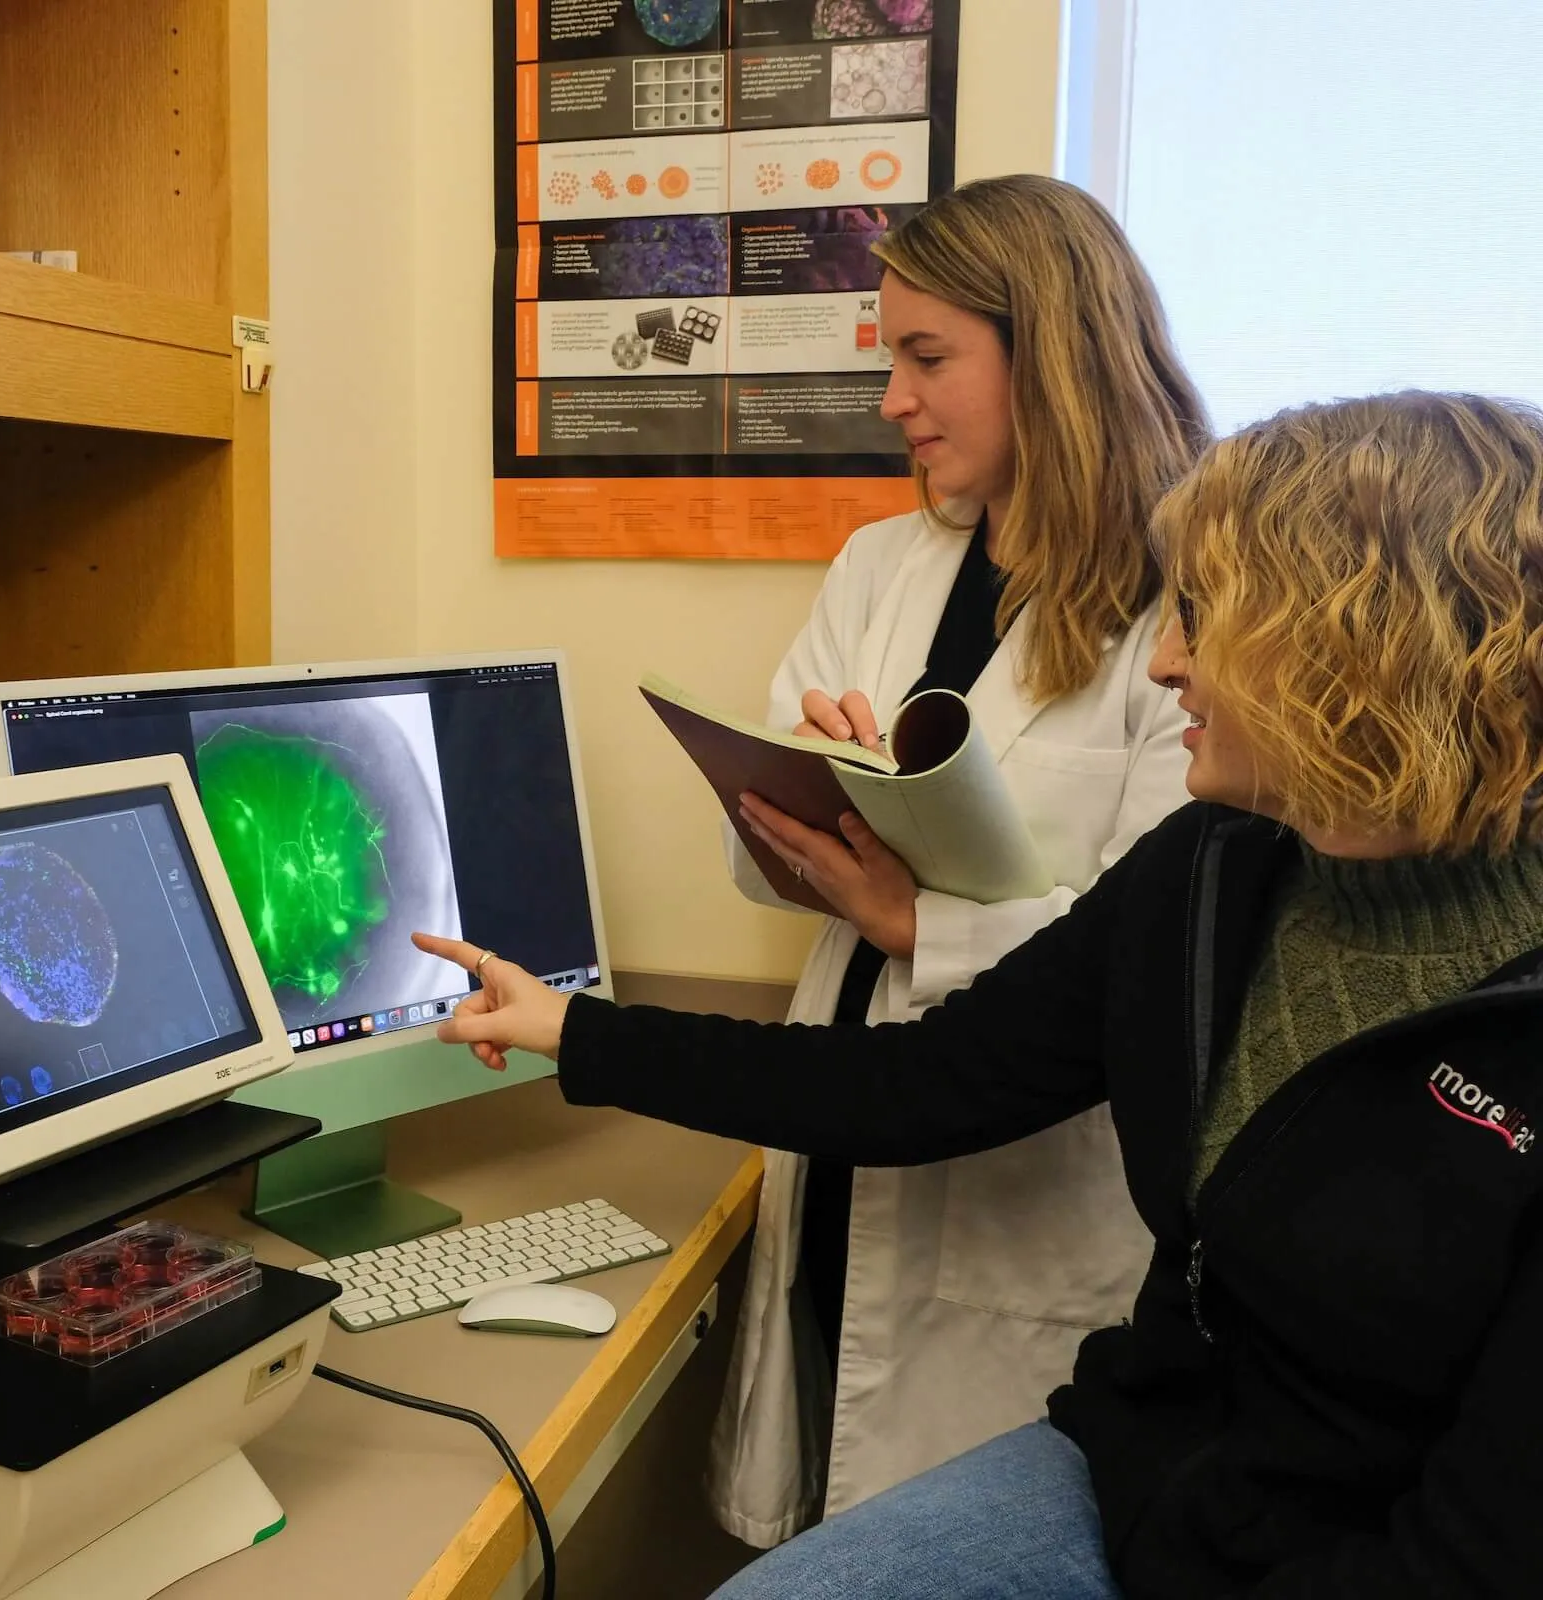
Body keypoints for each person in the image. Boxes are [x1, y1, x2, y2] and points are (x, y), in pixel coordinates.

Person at [418, 390, 1543, 1598]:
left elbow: (1478, 1560)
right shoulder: (1218, 869)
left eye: (1204, 616)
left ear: (1356, 645)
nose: (1165, 660)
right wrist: (573, 1029)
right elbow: (918, 1082)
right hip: (1153, 1471)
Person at [698, 173, 1208, 1545]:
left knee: (966, 1544)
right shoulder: (882, 565)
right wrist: (808, 805)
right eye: (891, 360)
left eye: (927, 358)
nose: (894, 401)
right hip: (841, 1124)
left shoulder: (1185, 607)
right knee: (824, 1514)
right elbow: (760, 846)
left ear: (1054, 354)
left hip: (1026, 1184)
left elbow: (1160, 948)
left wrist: (916, 921)